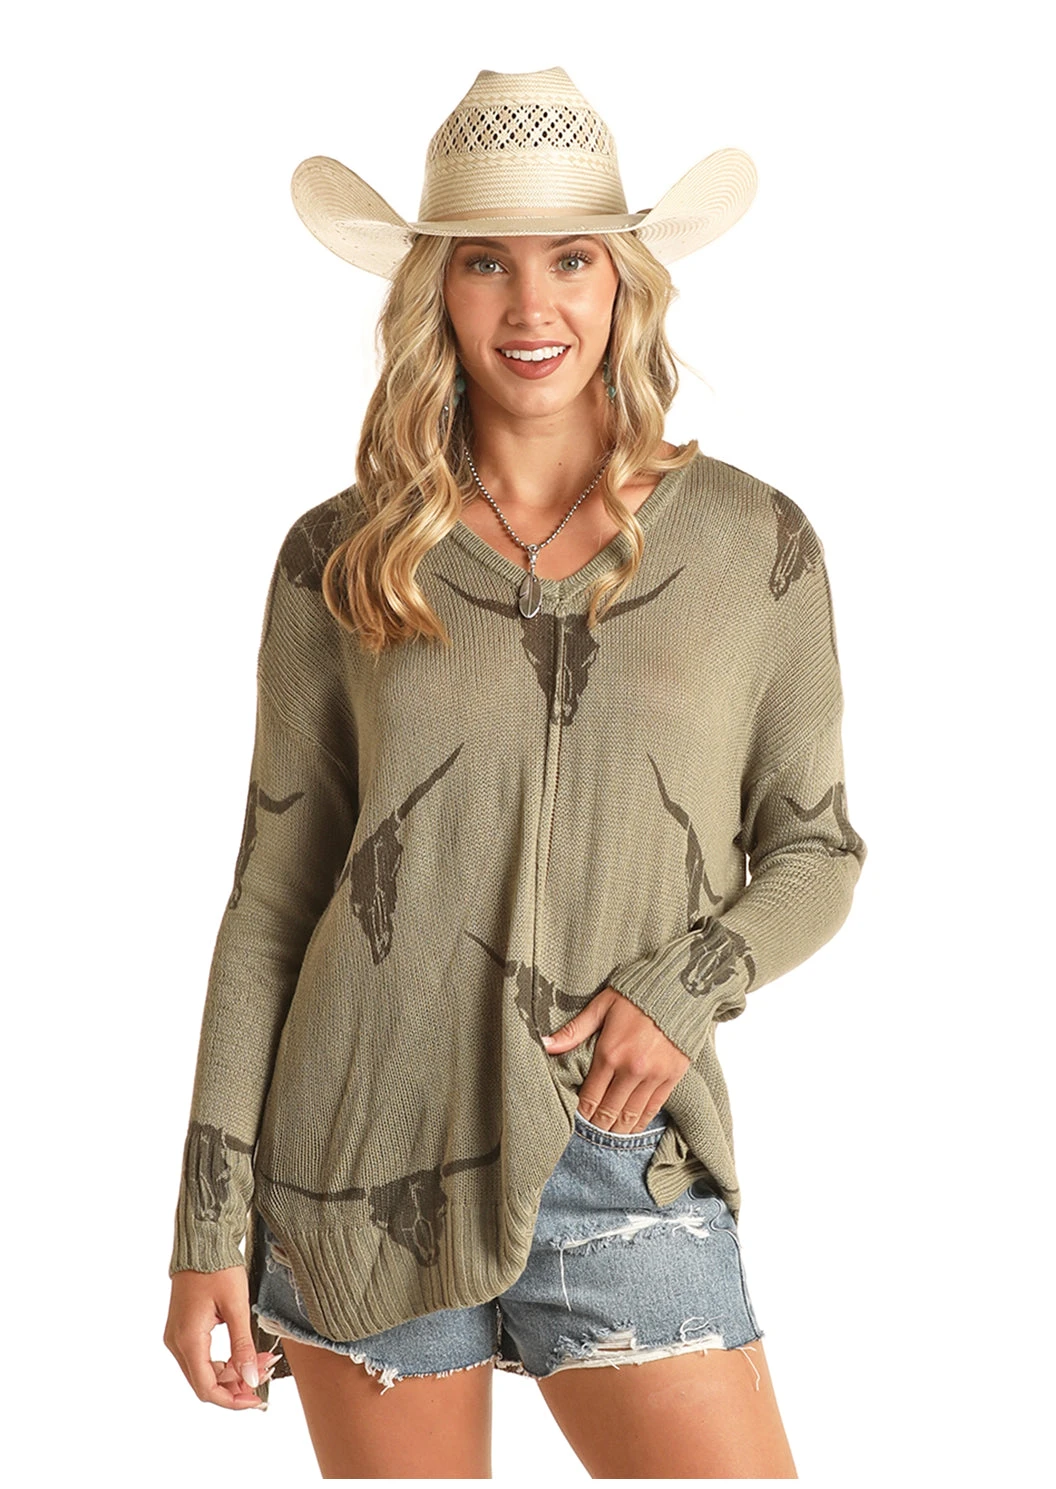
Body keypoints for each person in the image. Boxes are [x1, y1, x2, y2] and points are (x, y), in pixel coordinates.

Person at [163, 65, 867, 1478]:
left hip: (619, 1147)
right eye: (485, 262)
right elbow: (274, 898)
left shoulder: (755, 546)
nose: (531, 306)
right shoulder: (342, 556)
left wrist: (682, 988)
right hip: (357, 1159)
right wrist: (206, 1228)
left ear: (624, 283)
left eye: (571, 260)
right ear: (437, 288)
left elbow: (816, 850)